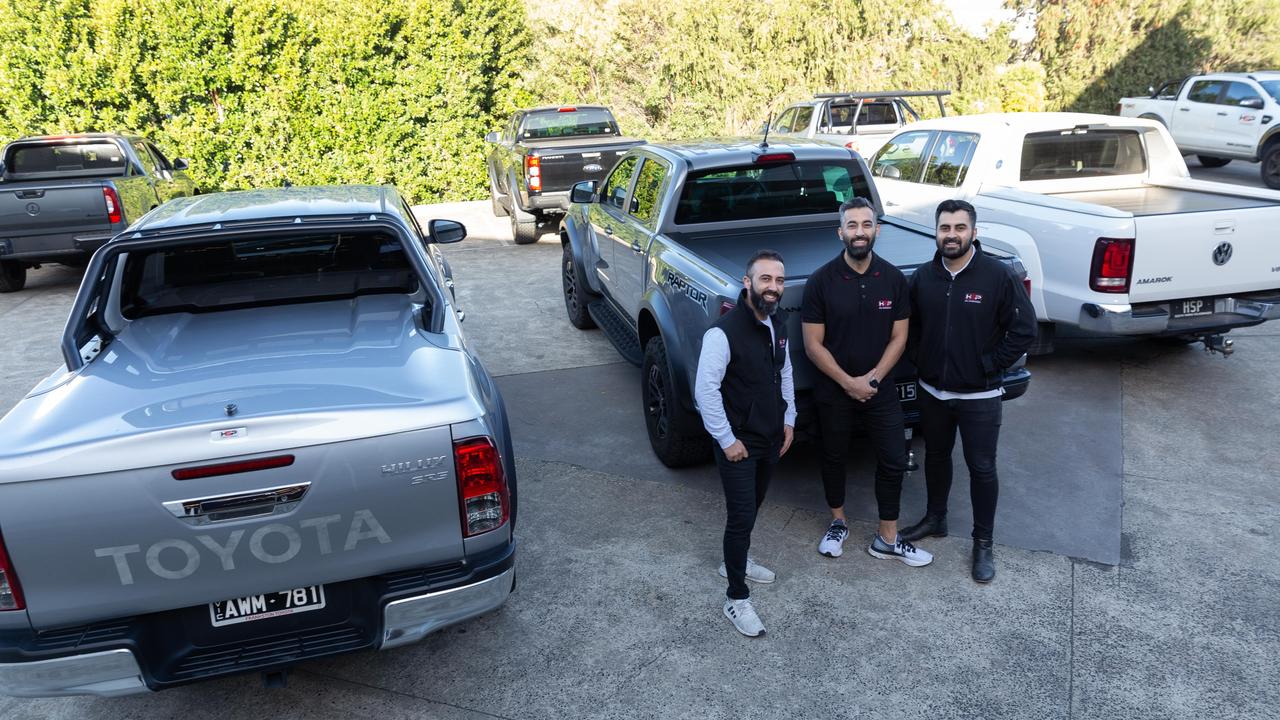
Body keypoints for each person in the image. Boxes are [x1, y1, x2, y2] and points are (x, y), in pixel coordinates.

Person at [899, 199, 1036, 583]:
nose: (952, 235)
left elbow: (1025, 330)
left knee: (982, 468)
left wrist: (989, 365)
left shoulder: (996, 276)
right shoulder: (924, 277)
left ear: (973, 233)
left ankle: (983, 542)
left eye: (960, 228)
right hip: (933, 391)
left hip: (980, 396)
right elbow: (909, 328)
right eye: (945, 228)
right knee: (937, 457)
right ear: (937, 232)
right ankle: (936, 518)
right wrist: (920, 360)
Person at [801, 197, 932, 568]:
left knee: (893, 460)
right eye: (853, 225)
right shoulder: (820, 281)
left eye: (866, 224)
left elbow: (899, 338)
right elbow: (813, 345)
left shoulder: (892, 279)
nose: (860, 232)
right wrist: (847, 382)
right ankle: (838, 522)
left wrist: (871, 380)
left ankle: (887, 538)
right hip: (833, 390)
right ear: (840, 232)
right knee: (834, 456)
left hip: (880, 390)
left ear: (877, 229)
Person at [694, 249, 796, 637]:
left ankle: (734, 560)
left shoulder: (778, 322)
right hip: (738, 444)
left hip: (771, 438)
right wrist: (725, 439)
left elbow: (785, 371)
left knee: (753, 506)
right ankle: (736, 597)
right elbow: (705, 389)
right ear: (747, 283)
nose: (773, 288)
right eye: (765, 279)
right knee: (740, 517)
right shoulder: (724, 332)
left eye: (780, 280)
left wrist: (789, 419)